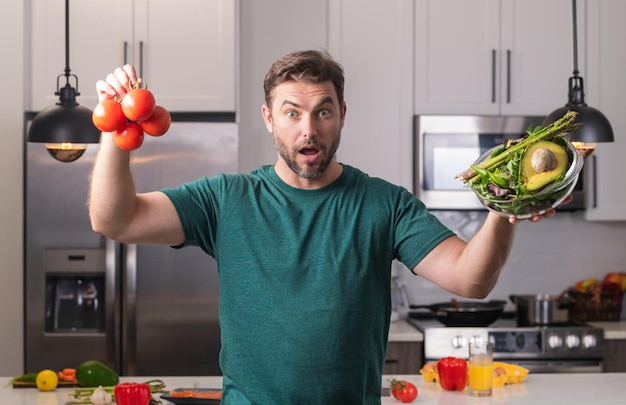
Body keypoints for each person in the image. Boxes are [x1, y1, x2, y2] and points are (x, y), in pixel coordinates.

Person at [89, 49, 562, 404]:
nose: (308, 130)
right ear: (269, 118)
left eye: (323, 111)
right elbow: (116, 218)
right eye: (292, 112)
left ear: (341, 116)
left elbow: (471, 279)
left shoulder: (385, 204)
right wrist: (116, 130)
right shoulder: (224, 200)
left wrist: (507, 206)